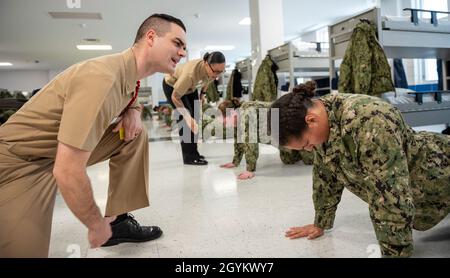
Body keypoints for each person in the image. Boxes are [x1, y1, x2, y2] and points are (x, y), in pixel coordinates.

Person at [0, 13, 187, 258]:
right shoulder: (103, 77)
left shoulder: (128, 75)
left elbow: (129, 94)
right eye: (177, 43)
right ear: (151, 37)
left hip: (51, 153)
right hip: (19, 163)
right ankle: (107, 224)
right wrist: (95, 223)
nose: (183, 52)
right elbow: (67, 170)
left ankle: (118, 222)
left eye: (185, 47)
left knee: (133, 134)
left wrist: (133, 109)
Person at [269, 82, 450, 257]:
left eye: (307, 144)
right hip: (423, 188)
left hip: (441, 174)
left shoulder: (371, 121)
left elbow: (389, 194)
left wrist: (395, 253)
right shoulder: (321, 115)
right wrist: (321, 223)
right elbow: (325, 172)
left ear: (311, 120)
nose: (309, 150)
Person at [218, 98, 313, 180]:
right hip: (281, 136)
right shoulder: (238, 118)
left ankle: (312, 147)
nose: (226, 124)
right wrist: (235, 162)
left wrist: (250, 170)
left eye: (225, 120)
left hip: (295, 127)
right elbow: (239, 139)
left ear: (232, 113)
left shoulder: (246, 113)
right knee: (288, 160)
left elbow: (250, 142)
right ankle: (297, 150)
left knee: (309, 160)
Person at [163, 51, 225, 165]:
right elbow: (175, 96)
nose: (217, 75)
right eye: (216, 71)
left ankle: (194, 152)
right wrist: (187, 117)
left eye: (221, 72)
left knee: (195, 118)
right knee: (186, 121)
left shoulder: (212, 71)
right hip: (173, 87)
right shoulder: (190, 74)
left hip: (191, 88)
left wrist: (202, 95)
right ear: (206, 64)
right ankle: (189, 157)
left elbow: (207, 80)